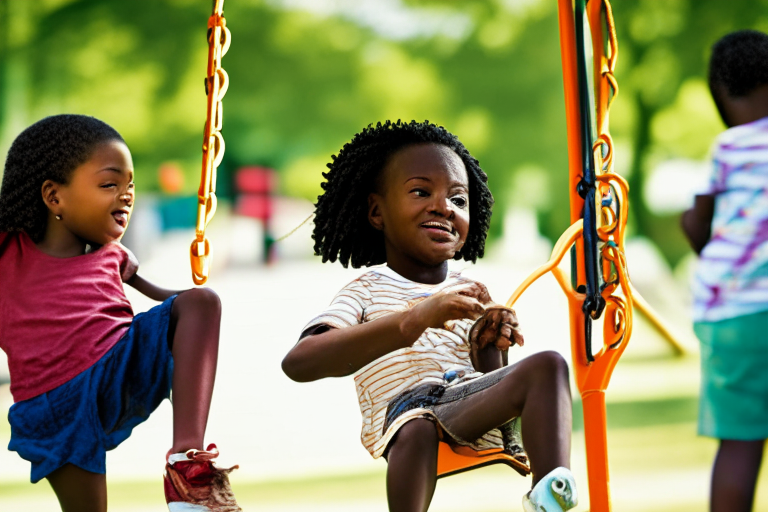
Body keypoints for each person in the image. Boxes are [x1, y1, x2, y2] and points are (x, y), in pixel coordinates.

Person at [282, 120, 577, 512]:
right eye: (421, 192)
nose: (443, 206)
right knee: (417, 424)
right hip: (407, 413)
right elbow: (299, 362)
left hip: (463, 402)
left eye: (458, 200)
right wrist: (415, 318)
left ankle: (551, 495)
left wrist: (488, 343)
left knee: (550, 365)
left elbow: (486, 380)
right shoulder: (365, 290)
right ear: (376, 211)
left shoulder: (470, 292)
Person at [0, 115, 241, 512]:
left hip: (117, 368)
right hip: (53, 403)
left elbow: (167, 298)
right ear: (53, 196)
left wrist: (195, 305)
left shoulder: (113, 255)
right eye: (110, 184)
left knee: (203, 301)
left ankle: (187, 467)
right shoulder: (10, 252)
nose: (127, 195)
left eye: (129, 186)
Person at [681, 30, 768, 512]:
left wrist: (688, 225)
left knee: (739, 444)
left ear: (722, 95)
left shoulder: (729, 147)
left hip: (731, 315)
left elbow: (700, 226)